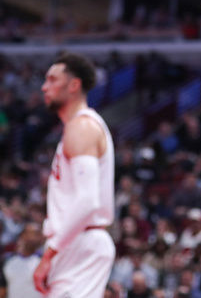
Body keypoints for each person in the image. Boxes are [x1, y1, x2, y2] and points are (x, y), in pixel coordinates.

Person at [33, 52, 116, 297]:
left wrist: (50, 253)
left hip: (80, 242)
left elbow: (87, 201)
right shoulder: (76, 127)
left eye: (52, 80)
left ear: (74, 85)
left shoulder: (82, 127)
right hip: (75, 242)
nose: (44, 87)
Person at [1, 223, 44, 298]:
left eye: (37, 234)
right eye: (30, 233)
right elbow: (2, 289)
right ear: (22, 235)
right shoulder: (7, 260)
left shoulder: (44, 261)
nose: (33, 238)